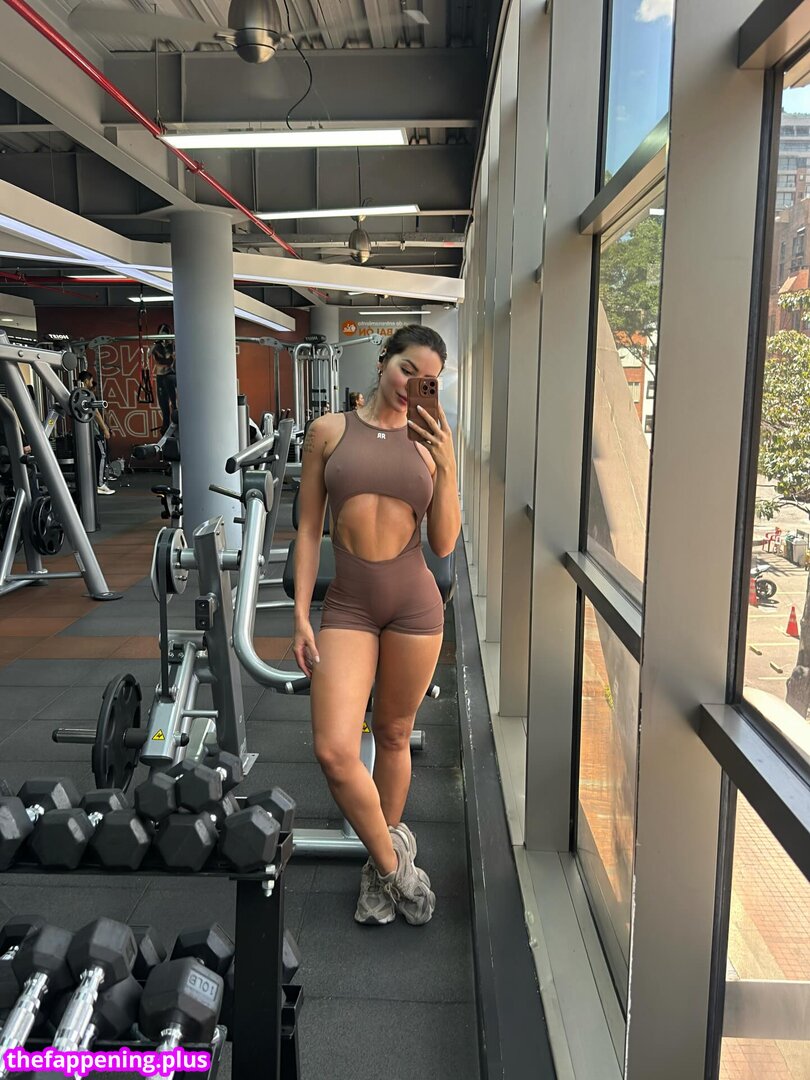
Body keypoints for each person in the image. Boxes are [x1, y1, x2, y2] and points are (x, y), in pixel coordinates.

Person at [293, 325, 461, 926]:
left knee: (393, 734)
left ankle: (375, 870)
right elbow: (308, 530)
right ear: (384, 359)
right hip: (349, 606)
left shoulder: (432, 441)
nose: (412, 384)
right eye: (406, 369)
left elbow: (444, 542)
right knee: (334, 749)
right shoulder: (329, 431)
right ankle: (397, 869)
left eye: (427, 379)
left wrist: (447, 465)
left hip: (415, 605)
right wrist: (300, 614)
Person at [77, 371, 114, 496]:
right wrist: (105, 429)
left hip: (83, 433)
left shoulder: (76, 394)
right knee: (102, 454)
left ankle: (93, 484)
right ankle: (99, 484)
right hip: (93, 432)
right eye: (91, 381)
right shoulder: (87, 395)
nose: (92, 384)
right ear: (86, 381)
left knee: (90, 458)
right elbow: (96, 413)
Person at [151, 324, 177, 435]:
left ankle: (176, 423)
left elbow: (169, 359)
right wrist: (158, 341)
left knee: (174, 404)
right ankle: (165, 426)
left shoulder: (173, 346)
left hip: (171, 376)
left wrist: (170, 342)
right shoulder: (156, 347)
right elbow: (150, 354)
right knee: (164, 405)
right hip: (161, 377)